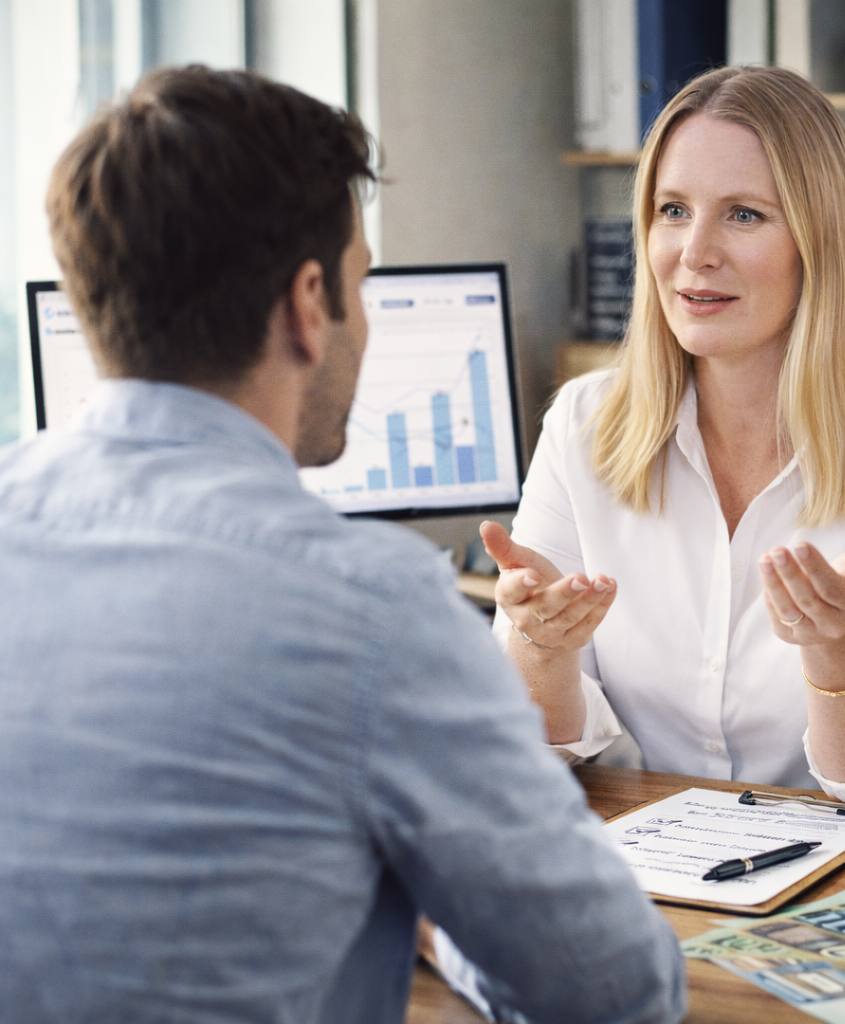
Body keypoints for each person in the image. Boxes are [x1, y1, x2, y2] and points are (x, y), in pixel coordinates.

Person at [0, 67, 686, 1024]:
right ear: (307, 301)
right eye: (363, 285)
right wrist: (434, 916)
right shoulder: (374, 610)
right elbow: (613, 990)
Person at [483, 65, 845, 811]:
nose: (694, 252)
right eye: (673, 209)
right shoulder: (581, 423)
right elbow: (531, 750)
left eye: (744, 215)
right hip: (647, 863)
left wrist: (841, 647)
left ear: (818, 242)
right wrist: (542, 649)